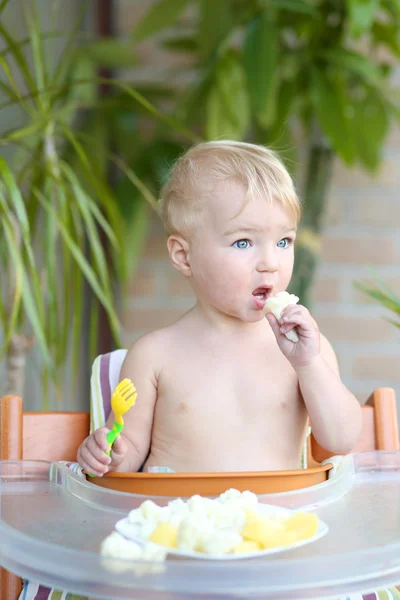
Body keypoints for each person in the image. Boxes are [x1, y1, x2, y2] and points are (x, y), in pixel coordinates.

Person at [77, 140, 362, 477]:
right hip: (178, 521)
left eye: (284, 241)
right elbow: (126, 457)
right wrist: (105, 454)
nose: (270, 262)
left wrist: (309, 364)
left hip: (275, 523)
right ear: (184, 256)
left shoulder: (307, 353)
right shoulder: (155, 354)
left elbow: (342, 440)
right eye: (243, 242)